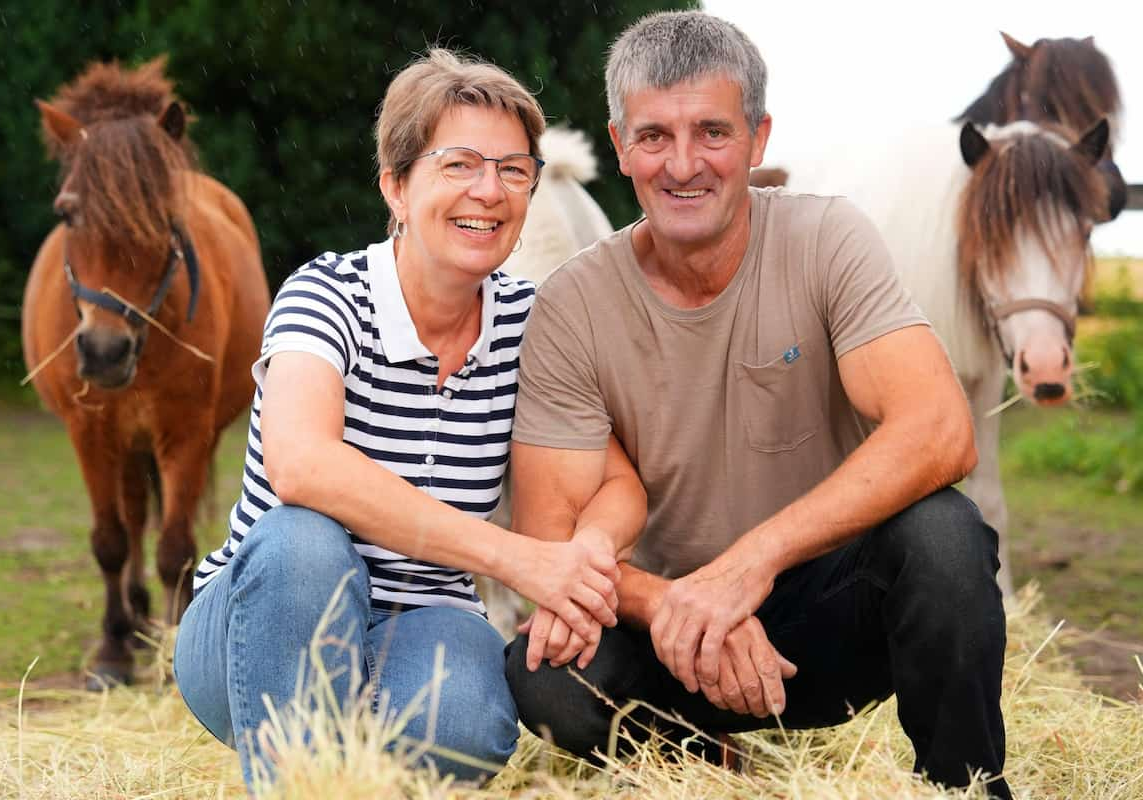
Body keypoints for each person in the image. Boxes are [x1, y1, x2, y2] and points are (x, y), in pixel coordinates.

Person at [504, 11, 1011, 800]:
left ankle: (966, 786)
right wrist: (683, 603)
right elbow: (546, 542)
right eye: (654, 136)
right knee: (547, 672)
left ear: (759, 137)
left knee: (945, 537)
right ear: (619, 144)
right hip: (664, 633)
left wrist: (748, 567)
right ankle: (697, 755)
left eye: (712, 131)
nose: (682, 165)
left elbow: (942, 431)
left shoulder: (827, 238)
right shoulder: (572, 304)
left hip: (826, 621)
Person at [173, 49, 645, 791]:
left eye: (514, 169)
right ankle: (295, 779)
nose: (488, 191)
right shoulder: (325, 294)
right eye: (458, 164)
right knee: (303, 542)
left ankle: (345, 742)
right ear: (395, 186)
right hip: (262, 619)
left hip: (424, 620)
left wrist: (580, 563)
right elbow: (301, 464)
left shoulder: (534, 324)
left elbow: (618, 483)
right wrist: (518, 560)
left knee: (469, 727)